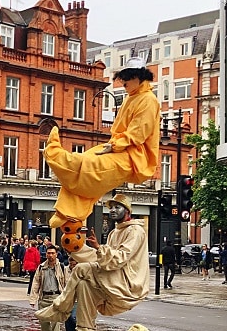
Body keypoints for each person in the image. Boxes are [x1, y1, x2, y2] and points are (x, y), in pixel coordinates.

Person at [43, 58, 159, 232]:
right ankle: (66, 212)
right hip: (119, 147)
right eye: (122, 77)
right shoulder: (130, 98)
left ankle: (56, 156)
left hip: (133, 156)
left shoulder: (149, 100)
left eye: (126, 77)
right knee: (88, 179)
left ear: (138, 77)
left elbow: (138, 133)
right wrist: (113, 145)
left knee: (93, 168)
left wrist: (115, 146)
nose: (123, 82)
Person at [35, 193, 149, 331]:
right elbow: (101, 261)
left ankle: (60, 309)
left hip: (128, 282)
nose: (113, 211)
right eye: (111, 208)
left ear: (128, 211)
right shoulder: (114, 233)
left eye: (117, 207)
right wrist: (76, 248)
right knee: (83, 284)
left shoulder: (136, 231)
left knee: (81, 269)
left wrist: (98, 247)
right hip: (115, 277)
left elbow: (119, 258)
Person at [29, 245, 68, 331]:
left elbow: (66, 283)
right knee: (43, 321)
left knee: (56, 323)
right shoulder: (41, 267)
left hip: (57, 298)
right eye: (48, 253)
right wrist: (33, 299)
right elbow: (36, 283)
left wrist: (67, 298)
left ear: (56, 254)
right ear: (46, 254)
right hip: (44, 298)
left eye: (52, 253)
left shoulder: (61, 267)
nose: (50, 255)